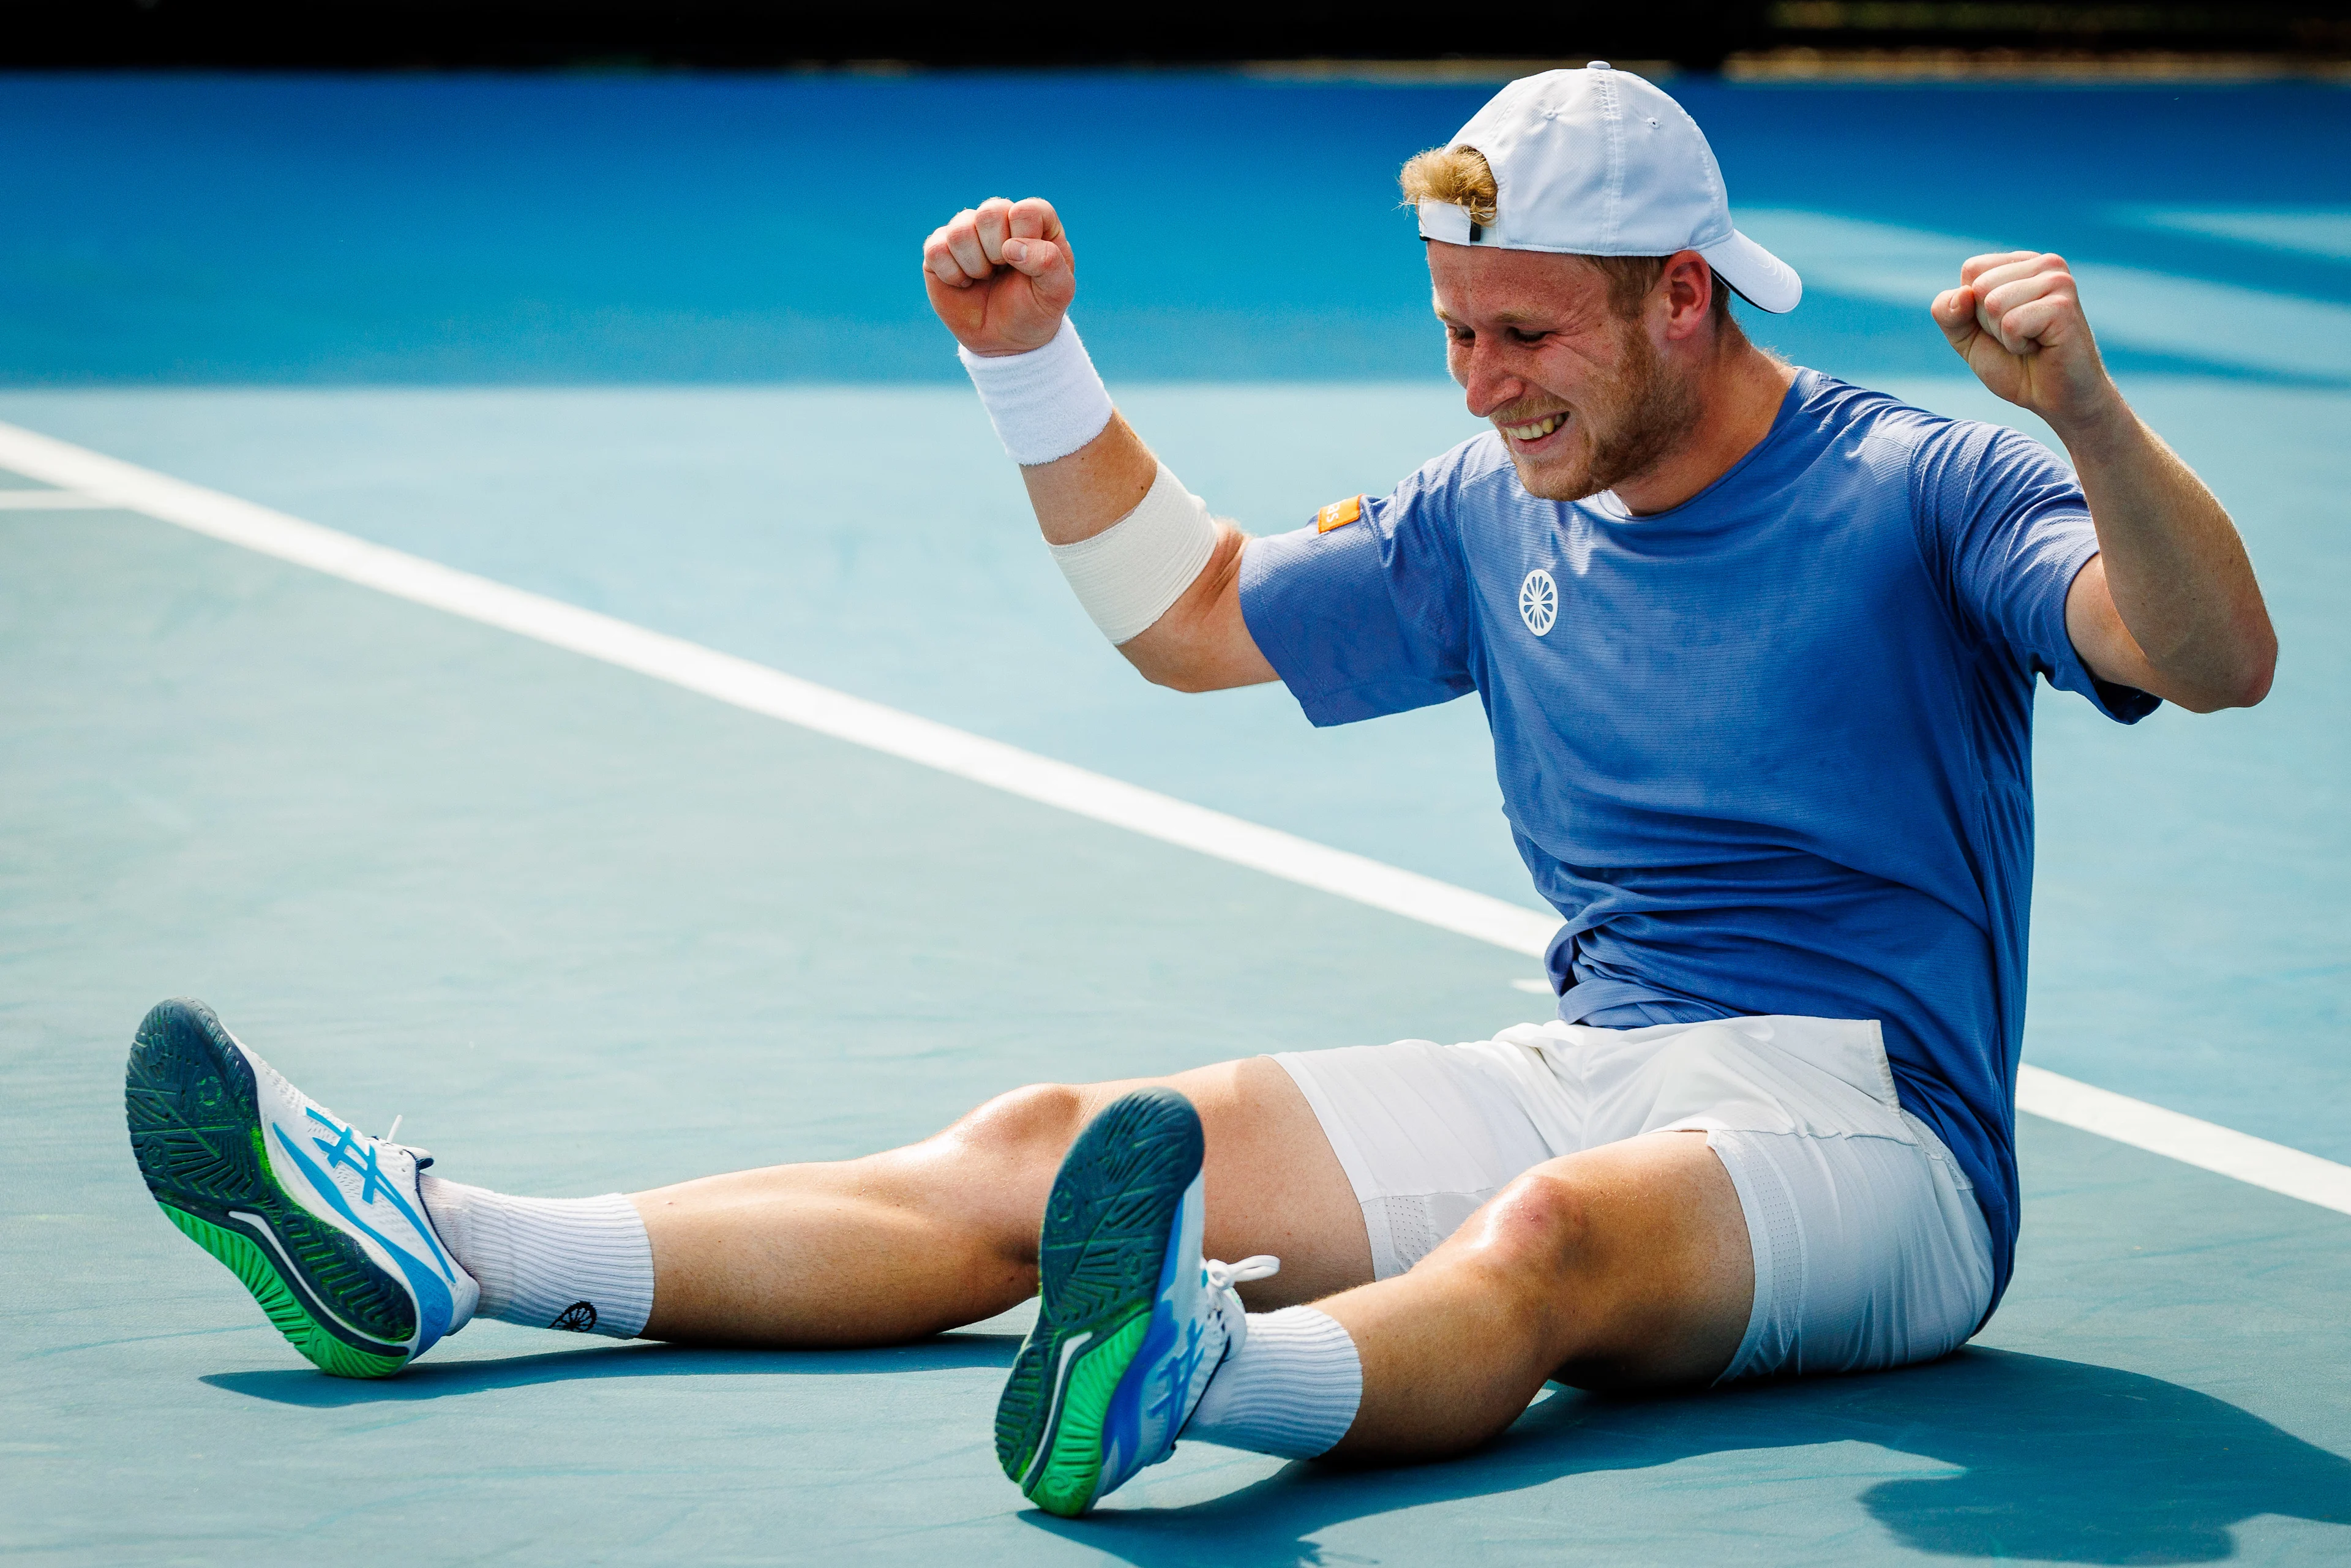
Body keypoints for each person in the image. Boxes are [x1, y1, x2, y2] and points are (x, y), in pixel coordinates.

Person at [124, 64, 2274, 1519]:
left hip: (1875, 1140)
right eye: (1457, 332)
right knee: (1048, 1150)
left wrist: (2086, 410)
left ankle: (1201, 1378)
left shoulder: (1923, 481)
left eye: (1525, 336)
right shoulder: (1483, 509)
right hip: (1604, 1052)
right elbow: (1197, 615)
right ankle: (450, 1250)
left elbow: (2209, 655)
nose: (1481, 382)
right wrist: (1027, 363)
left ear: (1682, 303)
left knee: (1551, 1246)